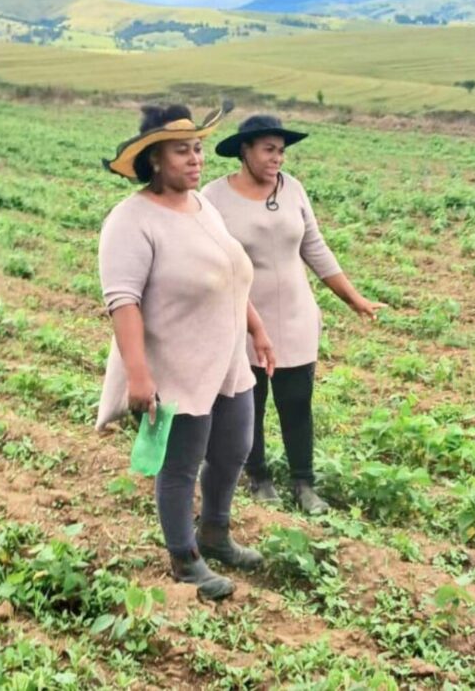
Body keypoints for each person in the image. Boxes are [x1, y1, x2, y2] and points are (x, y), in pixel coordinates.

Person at [96, 104, 277, 600]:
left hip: (226, 360)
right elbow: (123, 302)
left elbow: (232, 275)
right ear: (154, 159)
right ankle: (185, 558)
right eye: (182, 151)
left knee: (234, 448)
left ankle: (215, 532)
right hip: (173, 366)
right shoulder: (131, 220)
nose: (196, 159)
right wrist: (139, 375)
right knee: (180, 464)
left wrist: (257, 330)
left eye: (197, 148)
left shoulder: (204, 207)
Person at [202, 114, 382, 514]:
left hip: (296, 314)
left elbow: (315, 247)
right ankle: (259, 476)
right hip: (245, 317)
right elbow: (207, 260)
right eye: (269, 149)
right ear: (244, 151)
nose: (277, 158)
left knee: (297, 401)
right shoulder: (214, 197)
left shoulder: (293, 190)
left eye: (281, 151)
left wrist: (354, 299)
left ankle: (304, 483)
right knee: (251, 403)